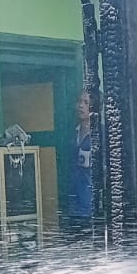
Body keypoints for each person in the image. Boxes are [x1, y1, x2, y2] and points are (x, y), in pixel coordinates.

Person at [62, 88, 95, 236]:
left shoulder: (99, 136)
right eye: (79, 101)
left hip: (90, 206)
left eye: (86, 102)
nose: (80, 106)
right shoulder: (72, 133)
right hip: (72, 204)